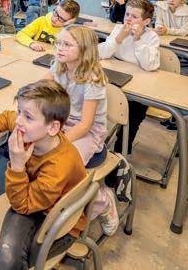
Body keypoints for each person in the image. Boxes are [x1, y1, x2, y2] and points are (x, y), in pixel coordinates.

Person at [0, 80, 87, 270]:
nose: (18, 121)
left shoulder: (58, 168)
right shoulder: (34, 131)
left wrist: (17, 166)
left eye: (28, 117)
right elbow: (7, 117)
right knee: (7, 259)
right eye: (19, 112)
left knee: (9, 260)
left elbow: (22, 205)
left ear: (53, 127)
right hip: (36, 199)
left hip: (56, 221)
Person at [45, 26, 119, 235]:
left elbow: (85, 125)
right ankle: (50, 205)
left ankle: (103, 201)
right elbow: (41, 87)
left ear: (84, 49)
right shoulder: (59, 65)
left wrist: (58, 143)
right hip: (63, 122)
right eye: (59, 43)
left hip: (88, 132)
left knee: (65, 169)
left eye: (67, 44)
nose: (60, 48)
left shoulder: (93, 78)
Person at [99, 0, 160, 154]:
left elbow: (150, 65)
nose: (128, 19)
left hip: (138, 84)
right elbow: (101, 54)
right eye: (127, 14)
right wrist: (118, 39)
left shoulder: (152, 37)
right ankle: (95, 145)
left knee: (134, 115)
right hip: (113, 77)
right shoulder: (118, 29)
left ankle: (121, 152)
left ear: (146, 21)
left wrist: (137, 40)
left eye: (134, 16)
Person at [15, 0, 80, 51]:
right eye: (56, 13)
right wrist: (31, 43)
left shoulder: (67, 31)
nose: (55, 19)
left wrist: (68, 26)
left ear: (68, 21)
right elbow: (21, 34)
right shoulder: (41, 21)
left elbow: (74, 48)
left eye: (61, 19)